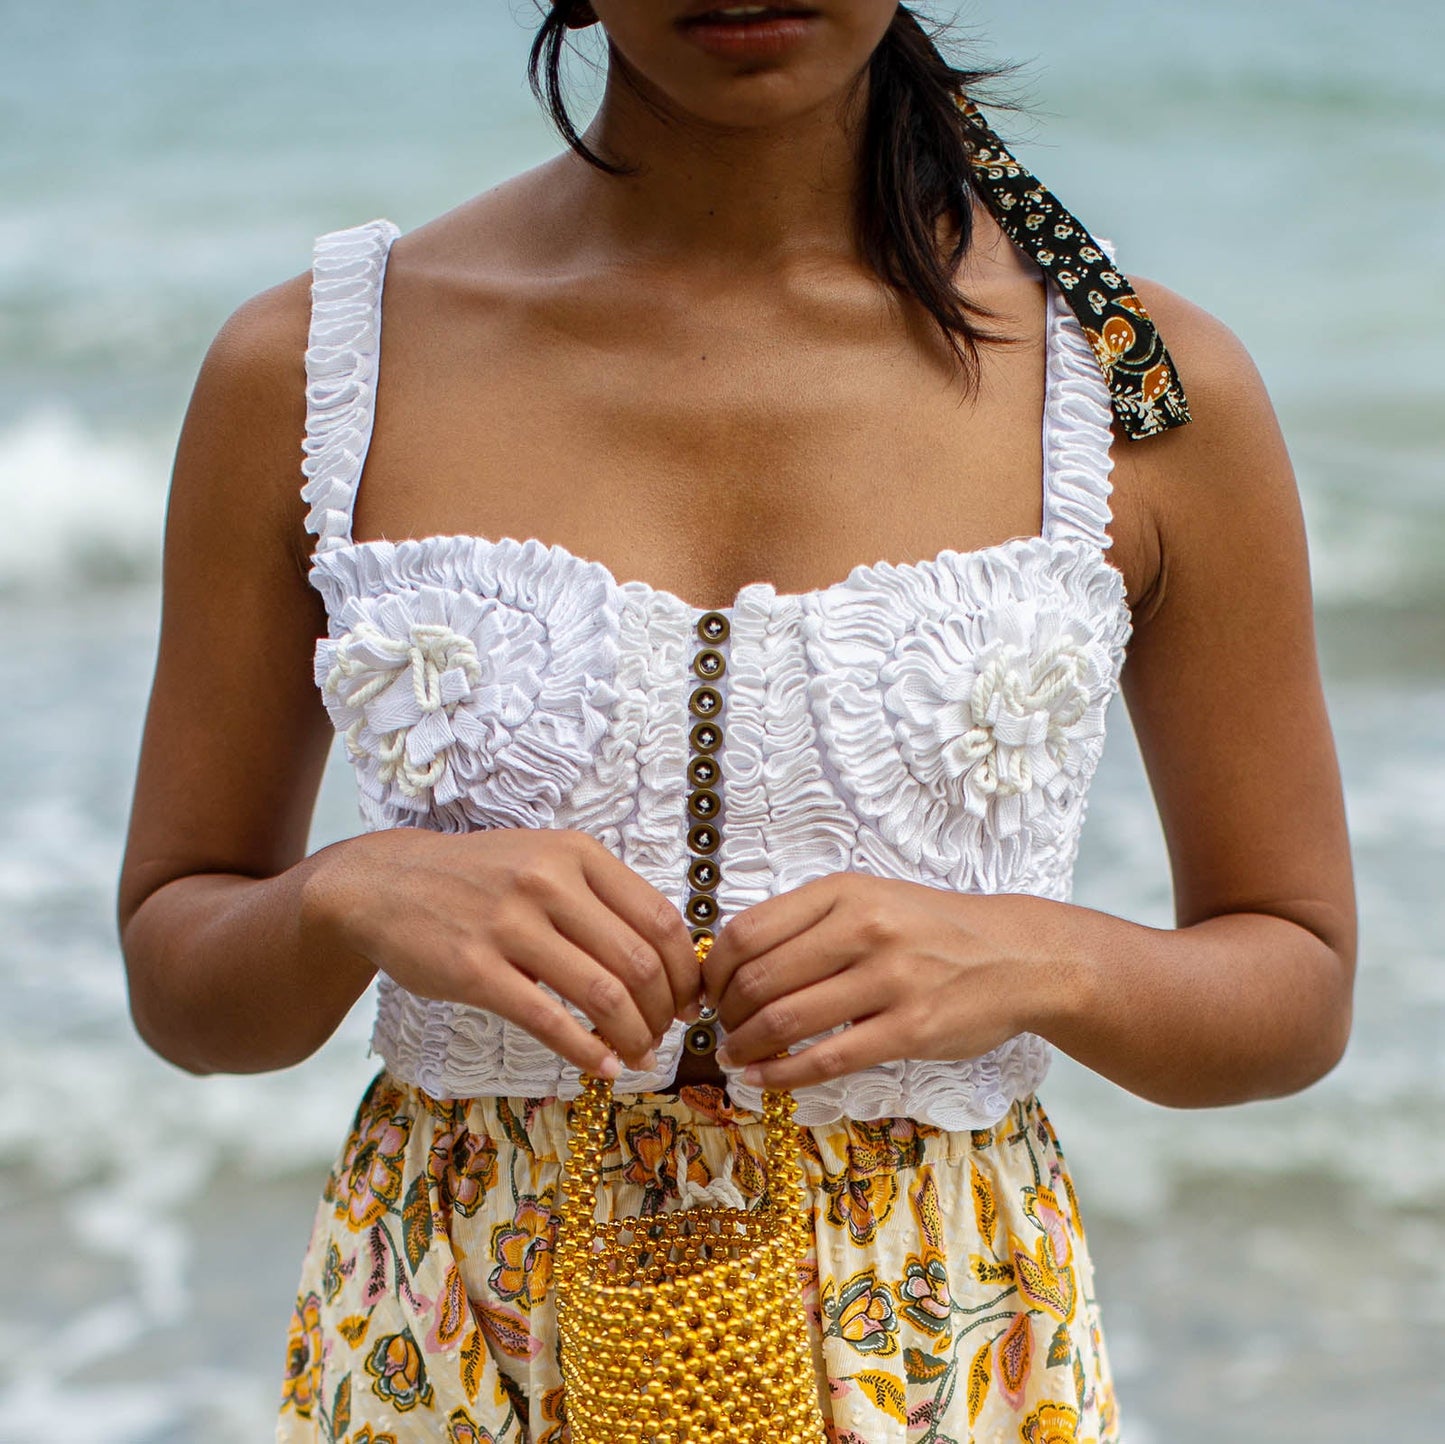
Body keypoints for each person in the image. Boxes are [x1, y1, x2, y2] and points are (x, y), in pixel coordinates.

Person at [117, 3, 1356, 1440]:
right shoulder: (318, 366)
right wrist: (350, 895)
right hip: (452, 1348)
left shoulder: (1134, 382)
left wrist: (1037, 957)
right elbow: (183, 983)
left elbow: (1296, 986)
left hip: (943, 1358)